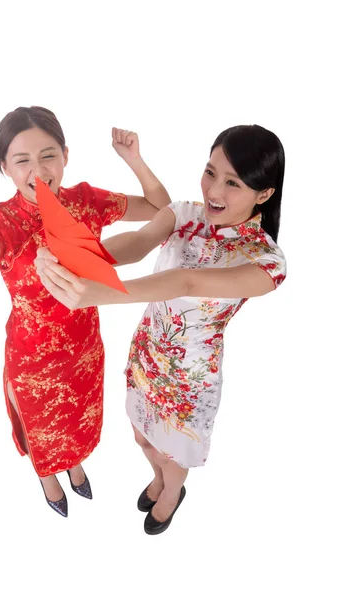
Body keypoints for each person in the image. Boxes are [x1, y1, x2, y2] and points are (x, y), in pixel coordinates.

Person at [35, 124, 287, 533]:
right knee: (141, 437)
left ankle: (171, 492)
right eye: (210, 173)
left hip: (189, 379)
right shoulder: (185, 212)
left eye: (232, 183)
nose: (214, 192)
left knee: (172, 454)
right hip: (147, 353)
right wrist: (75, 259)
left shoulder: (267, 262)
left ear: (264, 194)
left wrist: (98, 293)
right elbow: (136, 242)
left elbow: (187, 281)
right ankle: (157, 478)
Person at [0, 106, 171, 517]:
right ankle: (47, 475)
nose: (38, 169)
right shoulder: (1, 219)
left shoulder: (85, 201)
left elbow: (159, 209)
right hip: (33, 359)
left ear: (65, 155)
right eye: (22, 160)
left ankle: (74, 465)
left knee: (76, 424)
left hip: (83, 350)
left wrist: (133, 159)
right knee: (43, 431)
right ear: (4, 167)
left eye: (48, 155)